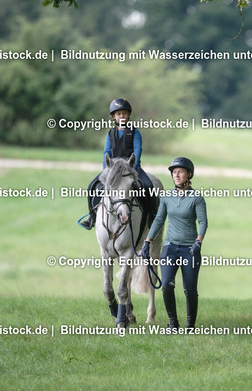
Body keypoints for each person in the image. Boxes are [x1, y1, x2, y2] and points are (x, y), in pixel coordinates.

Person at [141, 157, 208, 330]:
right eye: (174, 172)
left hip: (190, 249)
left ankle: (190, 325)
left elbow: (203, 222)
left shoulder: (196, 198)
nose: (176, 175)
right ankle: (173, 323)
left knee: (190, 289)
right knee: (166, 286)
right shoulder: (167, 197)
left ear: (189, 175)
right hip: (170, 247)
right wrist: (148, 241)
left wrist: (198, 241)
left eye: (180, 172)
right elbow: (159, 220)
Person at [78, 98, 156, 230]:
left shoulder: (135, 132)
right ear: (114, 116)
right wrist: (106, 170)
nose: (122, 116)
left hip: (131, 168)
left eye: (124, 113)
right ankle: (92, 216)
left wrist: (132, 166)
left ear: (129, 115)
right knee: (92, 186)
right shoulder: (110, 133)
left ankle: (152, 216)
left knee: (148, 186)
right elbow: (106, 152)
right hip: (113, 169)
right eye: (119, 114)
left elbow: (137, 150)